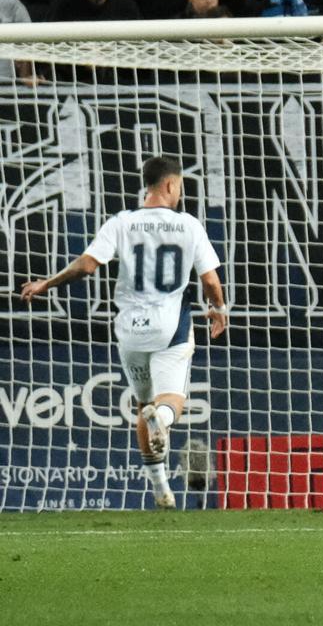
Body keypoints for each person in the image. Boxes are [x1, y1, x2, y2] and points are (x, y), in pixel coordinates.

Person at [19, 156, 228, 510]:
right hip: (170, 328)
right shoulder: (188, 225)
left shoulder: (121, 222)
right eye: (179, 187)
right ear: (170, 185)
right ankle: (162, 420)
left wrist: (46, 284)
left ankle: (160, 487)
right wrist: (219, 310)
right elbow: (209, 279)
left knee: (144, 404)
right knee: (171, 400)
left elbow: (87, 265)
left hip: (130, 330)